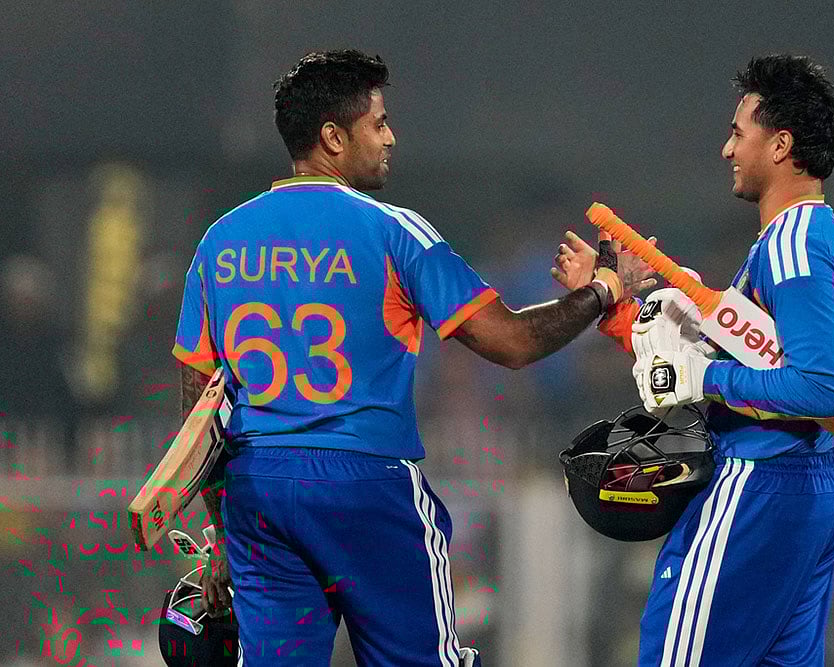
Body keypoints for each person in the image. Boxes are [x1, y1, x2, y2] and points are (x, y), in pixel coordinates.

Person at [172, 49, 653, 666]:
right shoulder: (394, 230)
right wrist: (603, 292)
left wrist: (220, 533)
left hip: (257, 491)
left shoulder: (220, 241)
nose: (390, 137)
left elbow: (199, 409)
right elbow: (510, 342)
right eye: (378, 122)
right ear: (333, 137)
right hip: (365, 484)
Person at [553, 54, 834, 666]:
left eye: (738, 133)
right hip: (810, 485)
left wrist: (705, 377)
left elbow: (824, 389)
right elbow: (748, 355)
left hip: (760, 484)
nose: (727, 150)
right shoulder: (821, 237)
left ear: (780, 144)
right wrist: (621, 313)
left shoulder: (794, 247)